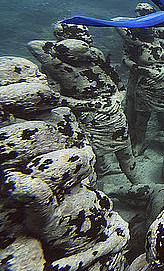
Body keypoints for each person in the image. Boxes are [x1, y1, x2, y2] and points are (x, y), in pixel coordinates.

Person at [27, 23, 142, 184]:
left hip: (114, 112)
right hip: (90, 117)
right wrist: (91, 105)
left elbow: (114, 77)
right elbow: (34, 47)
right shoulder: (57, 66)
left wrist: (119, 95)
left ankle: (136, 182)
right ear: (67, 39)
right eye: (83, 35)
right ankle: (101, 175)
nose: (89, 38)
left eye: (88, 34)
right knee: (95, 154)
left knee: (125, 149)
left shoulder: (95, 55)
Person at [115, 3, 164, 154]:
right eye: (140, 16)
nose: (147, 25)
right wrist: (143, 70)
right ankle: (139, 142)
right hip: (143, 82)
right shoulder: (133, 39)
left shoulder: (163, 36)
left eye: (148, 17)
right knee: (141, 116)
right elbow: (125, 58)